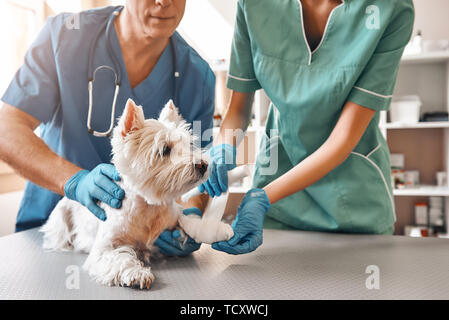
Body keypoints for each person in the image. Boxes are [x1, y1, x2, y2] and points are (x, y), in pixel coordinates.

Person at [0, 0, 214, 256]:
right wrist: (74, 182)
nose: (164, 2)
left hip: (145, 246)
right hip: (56, 236)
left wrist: (190, 215)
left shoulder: (198, 76)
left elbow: (199, 172)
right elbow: (6, 129)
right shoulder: (65, 35)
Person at [199, 0, 415, 255]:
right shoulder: (255, 5)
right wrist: (223, 149)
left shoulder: (390, 8)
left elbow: (342, 139)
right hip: (279, 199)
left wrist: (263, 198)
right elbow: (237, 109)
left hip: (354, 205)